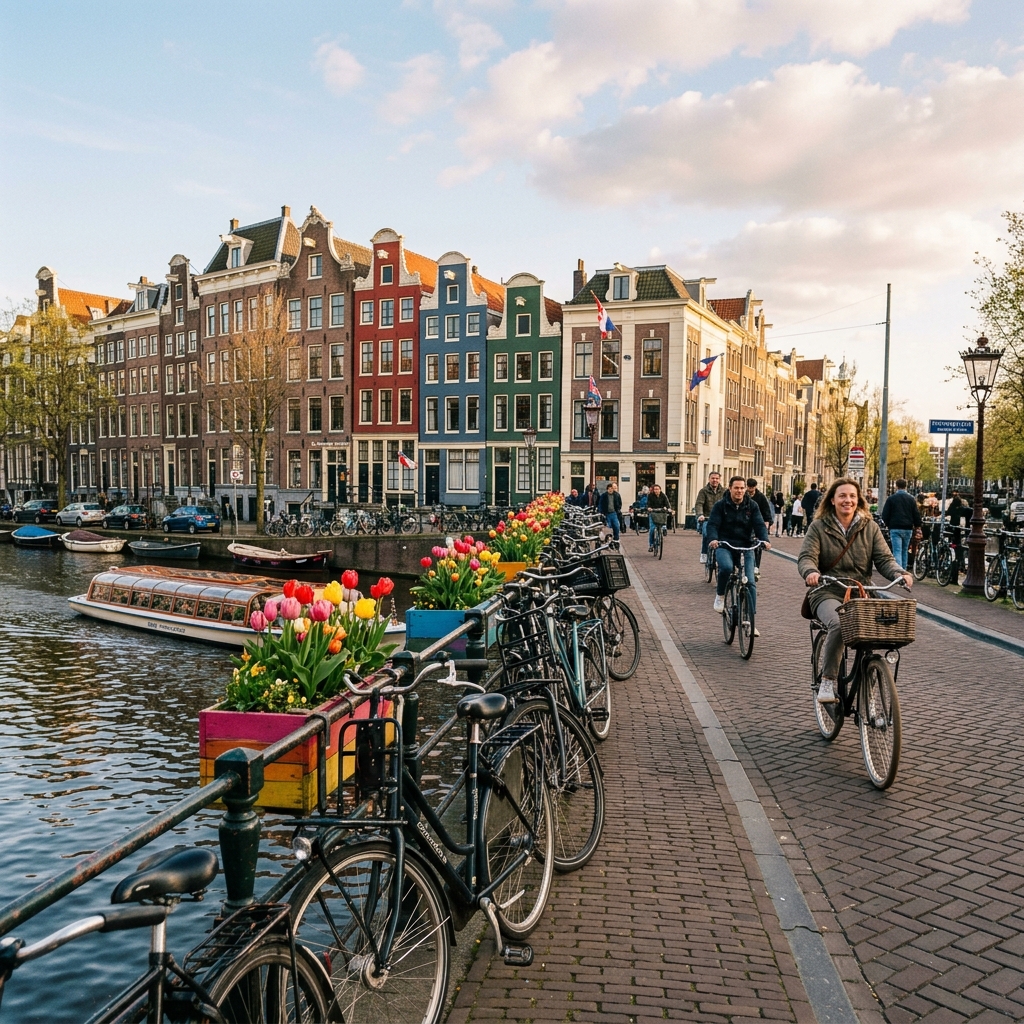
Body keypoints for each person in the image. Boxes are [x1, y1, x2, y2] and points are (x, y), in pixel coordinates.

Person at [798, 478, 913, 704]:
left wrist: (899, 574)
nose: (847, 500)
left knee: (881, 626)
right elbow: (806, 557)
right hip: (828, 590)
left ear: (858, 500)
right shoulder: (819, 526)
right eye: (842, 496)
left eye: (852, 496)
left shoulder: (869, 527)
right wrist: (811, 571)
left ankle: (871, 673)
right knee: (839, 624)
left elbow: (884, 559)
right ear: (832, 500)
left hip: (861, 592)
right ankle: (828, 681)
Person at [706, 476, 770, 632]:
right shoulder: (720, 506)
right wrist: (714, 539)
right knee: (726, 568)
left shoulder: (752, 505)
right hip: (725, 544)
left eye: (742, 488)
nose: (740, 491)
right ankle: (720, 596)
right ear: (730, 488)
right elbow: (713, 524)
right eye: (736, 488)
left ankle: (750, 620)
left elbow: (759, 524)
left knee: (750, 582)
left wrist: (765, 540)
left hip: (746, 545)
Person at [880, 478, 921, 570]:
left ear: (896, 486)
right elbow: (916, 513)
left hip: (895, 527)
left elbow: (885, 514)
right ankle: (904, 571)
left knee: (897, 551)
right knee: (904, 550)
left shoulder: (891, 499)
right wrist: (917, 525)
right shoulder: (911, 499)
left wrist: (888, 524)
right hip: (908, 528)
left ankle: (899, 573)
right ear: (906, 486)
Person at [694, 471, 724, 563]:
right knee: (707, 534)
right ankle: (704, 554)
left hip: (721, 519)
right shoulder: (703, 491)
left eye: (717, 478)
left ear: (719, 479)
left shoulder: (725, 491)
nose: (715, 480)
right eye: (713, 478)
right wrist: (700, 515)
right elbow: (699, 504)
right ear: (709, 479)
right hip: (708, 518)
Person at [746, 479, 773, 574]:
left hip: (757, 523)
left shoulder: (761, 497)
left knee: (758, 544)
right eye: (749, 487)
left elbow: (766, 510)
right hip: (745, 523)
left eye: (752, 488)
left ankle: (756, 566)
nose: (750, 489)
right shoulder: (744, 495)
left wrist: (767, 522)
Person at [647, 483, 671, 551]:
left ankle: (664, 528)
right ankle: (651, 545)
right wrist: (649, 508)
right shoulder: (650, 496)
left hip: (661, 513)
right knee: (652, 529)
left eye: (657, 489)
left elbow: (667, 504)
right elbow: (648, 504)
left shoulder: (663, 496)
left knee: (663, 522)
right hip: (653, 513)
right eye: (655, 489)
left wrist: (668, 508)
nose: (656, 491)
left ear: (660, 490)